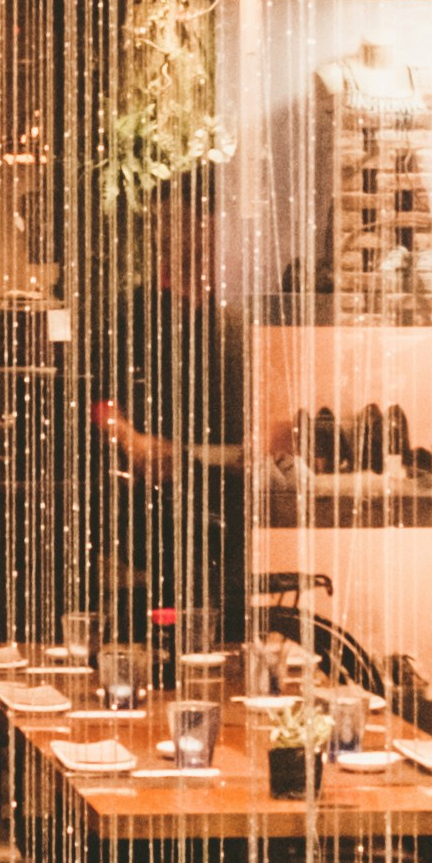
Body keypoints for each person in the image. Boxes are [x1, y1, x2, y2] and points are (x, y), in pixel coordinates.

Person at [87, 177, 248, 648]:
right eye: (162, 223)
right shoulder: (132, 311)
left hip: (225, 503)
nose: (166, 235)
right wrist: (131, 439)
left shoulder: (232, 318)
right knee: (159, 628)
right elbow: (100, 401)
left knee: (223, 633)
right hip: (154, 503)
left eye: (180, 223)